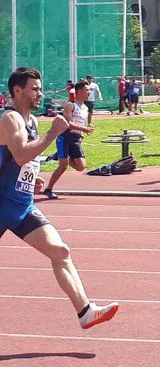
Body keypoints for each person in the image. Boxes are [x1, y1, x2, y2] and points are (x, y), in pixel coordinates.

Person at [0, 68, 119, 328]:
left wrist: (31, 178)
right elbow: (20, 153)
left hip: (20, 205)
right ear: (17, 91)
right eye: (34, 88)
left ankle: (85, 311)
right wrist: (53, 133)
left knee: (60, 251)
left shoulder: (31, 121)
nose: (40, 93)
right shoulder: (10, 118)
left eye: (40, 88)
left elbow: (21, 161)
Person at [42, 80, 94, 199]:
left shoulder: (85, 108)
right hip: (65, 137)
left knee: (81, 167)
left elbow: (82, 123)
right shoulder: (70, 105)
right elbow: (67, 123)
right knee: (63, 165)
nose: (89, 92)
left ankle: (58, 156)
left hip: (76, 139)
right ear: (79, 91)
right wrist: (83, 128)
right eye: (87, 90)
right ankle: (48, 189)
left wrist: (82, 134)